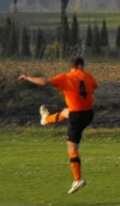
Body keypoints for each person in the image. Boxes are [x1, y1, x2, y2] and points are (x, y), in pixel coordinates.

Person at [18, 56, 98, 194]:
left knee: (72, 147)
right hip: (89, 114)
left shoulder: (65, 77)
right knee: (66, 112)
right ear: (81, 66)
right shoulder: (88, 76)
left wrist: (27, 77)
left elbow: (44, 82)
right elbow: (93, 87)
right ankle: (45, 119)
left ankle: (78, 179)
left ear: (72, 66)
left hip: (77, 116)